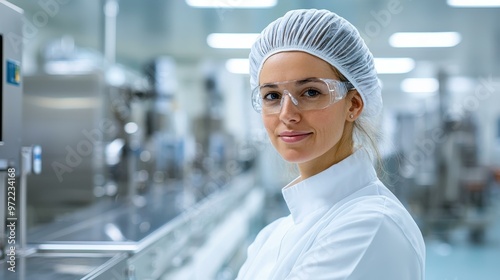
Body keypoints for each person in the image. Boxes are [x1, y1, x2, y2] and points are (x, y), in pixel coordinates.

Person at [236, 9, 426, 280]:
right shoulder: (273, 235)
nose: (287, 113)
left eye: (311, 92)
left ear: (354, 104)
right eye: (272, 95)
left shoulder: (371, 226)